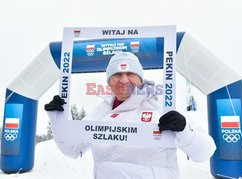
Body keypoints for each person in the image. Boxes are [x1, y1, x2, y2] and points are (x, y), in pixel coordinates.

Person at [45, 52, 216, 179]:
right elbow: (72, 149)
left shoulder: (162, 107)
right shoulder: (100, 112)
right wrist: (57, 120)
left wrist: (184, 130)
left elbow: (205, 152)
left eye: (130, 74)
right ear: (109, 83)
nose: (124, 80)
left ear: (141, 79)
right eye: (117, 75)